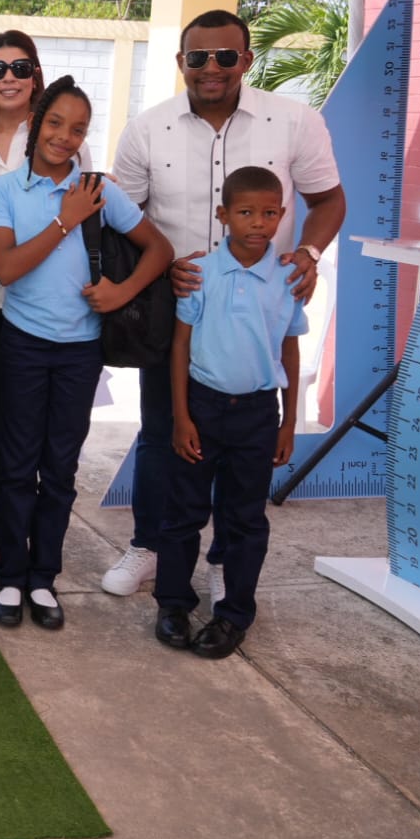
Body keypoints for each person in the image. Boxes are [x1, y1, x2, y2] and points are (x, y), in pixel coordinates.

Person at [103, 9, 344, 598]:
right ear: (180, 61)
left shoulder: (294, 121)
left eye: (226, 56)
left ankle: (222, 563)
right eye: (198, 57)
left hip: (258, 314)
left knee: (241, 451)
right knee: (164, 430)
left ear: (247, 60)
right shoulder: (147, 129)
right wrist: (157, 267)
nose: (211, 67)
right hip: (178, 303)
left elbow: (329, 199)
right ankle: (149, 546)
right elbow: (122, 219)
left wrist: (309, 253)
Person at [0, 76, 173, 630]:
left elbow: (159, 249)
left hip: (80, 353)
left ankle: (44, 578)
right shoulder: (4, 191)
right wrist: (66, 218)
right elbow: (7, 269)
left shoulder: (99, 190)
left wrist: (121, 292)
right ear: (35, 123)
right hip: (22, 345)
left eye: (79, 129)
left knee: (60, 469)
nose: (65, 137)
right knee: (16, 466)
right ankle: (10, 577)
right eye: (56, 123)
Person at [0, 32, 89, 571]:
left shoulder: (61, 139)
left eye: (20, 67)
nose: (9, 78)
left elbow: (82, 220)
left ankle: (14, 536)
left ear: (36, 77)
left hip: (45, 310)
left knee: (28, 433)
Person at [154, 166, 306, 659]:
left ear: (282, 215)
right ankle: (173, 604)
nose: (258, 223)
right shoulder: (200, 273)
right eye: (246, 212)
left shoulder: (287, 278)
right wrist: (181, 417)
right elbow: (181, 346)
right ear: (223, 215)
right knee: (183, 513)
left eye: (269, 213)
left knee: (244, 520)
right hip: (202, 408)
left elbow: (289, 350)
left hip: (258, 415)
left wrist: (288, 422)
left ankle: (233, 616)